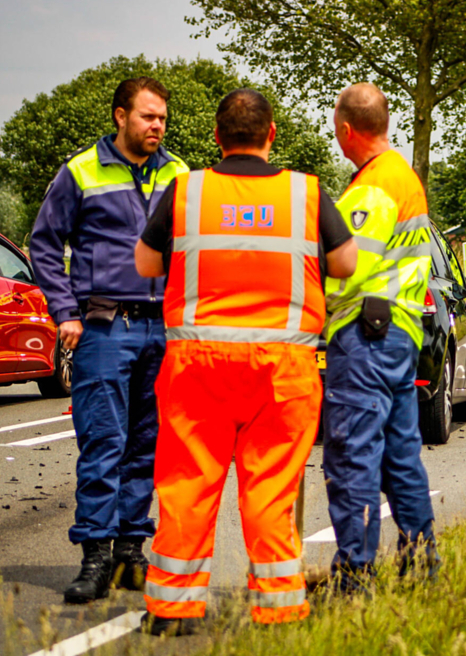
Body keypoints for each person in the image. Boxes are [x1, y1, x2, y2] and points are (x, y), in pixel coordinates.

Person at [132, 88, 356, 635]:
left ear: (217, 137)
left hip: (197, 366)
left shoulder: (186, 190)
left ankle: (171, 611)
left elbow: (144, 264)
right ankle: (278, 609)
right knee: (270, 489)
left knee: (187, 483)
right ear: (271, 134)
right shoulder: (305, 193)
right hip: (282, 369)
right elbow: (346, 262)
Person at [29, 77, 189, 604]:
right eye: (147, 117)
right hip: (103, 327)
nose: (157, 126)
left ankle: (129, 552)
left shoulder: (180, 174)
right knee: (104, 443)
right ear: (120, 116)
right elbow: (45, 243)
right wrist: (64, 312)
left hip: (162, 328)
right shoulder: (81, 170)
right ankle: (95, 555)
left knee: (148, 446)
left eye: (162, 118)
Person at [321, 82, 437, 593]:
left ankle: (355, 573)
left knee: (352, 456)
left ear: (347, 130)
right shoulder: (402, 175)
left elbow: (346, 270)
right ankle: (420, 564)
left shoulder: (372, 187)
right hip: (400, 333)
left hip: (365, 337)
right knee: (399, 456)